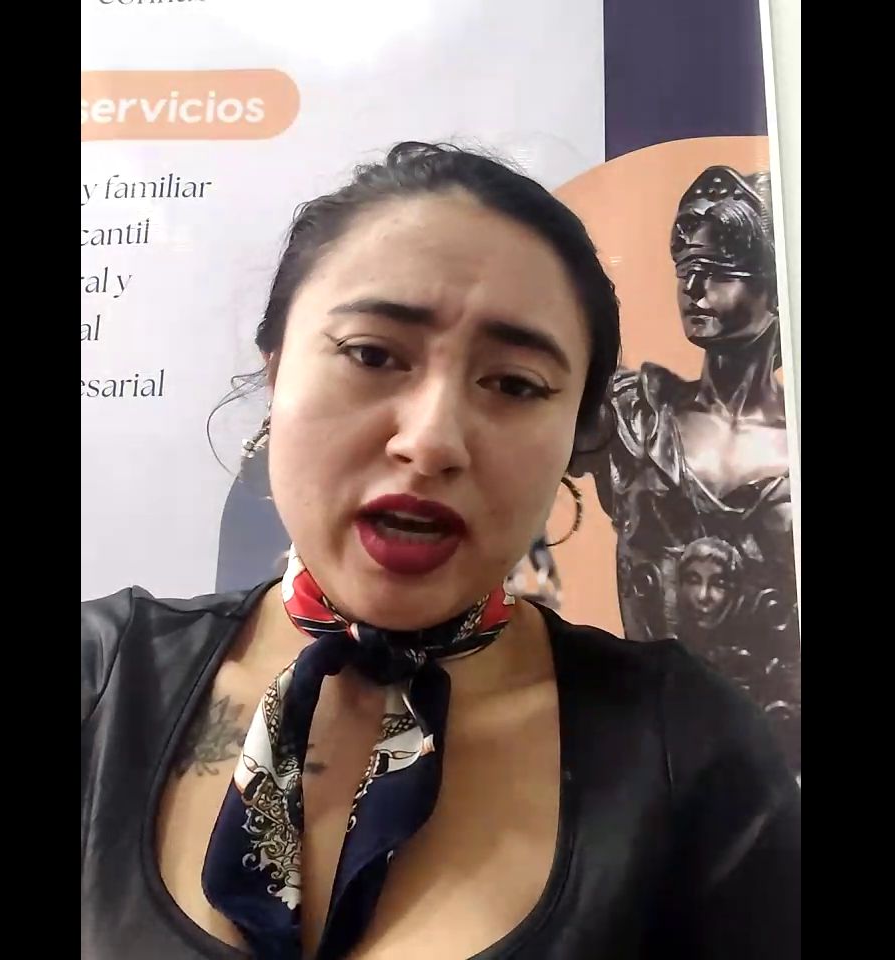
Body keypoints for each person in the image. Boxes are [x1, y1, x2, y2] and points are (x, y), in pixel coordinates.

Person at [81, 143, 800, 960]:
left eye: (516, 384)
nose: (430, 443)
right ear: (276, 371)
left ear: (579, 436)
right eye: (372, 354)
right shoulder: (103, 680)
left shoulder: (687, 754)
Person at [571, 165, 801, 776]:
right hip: (653, 754)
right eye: (686, 270)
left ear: (778, 287)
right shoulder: (634, 417)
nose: (694, 288)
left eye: (721, 270)